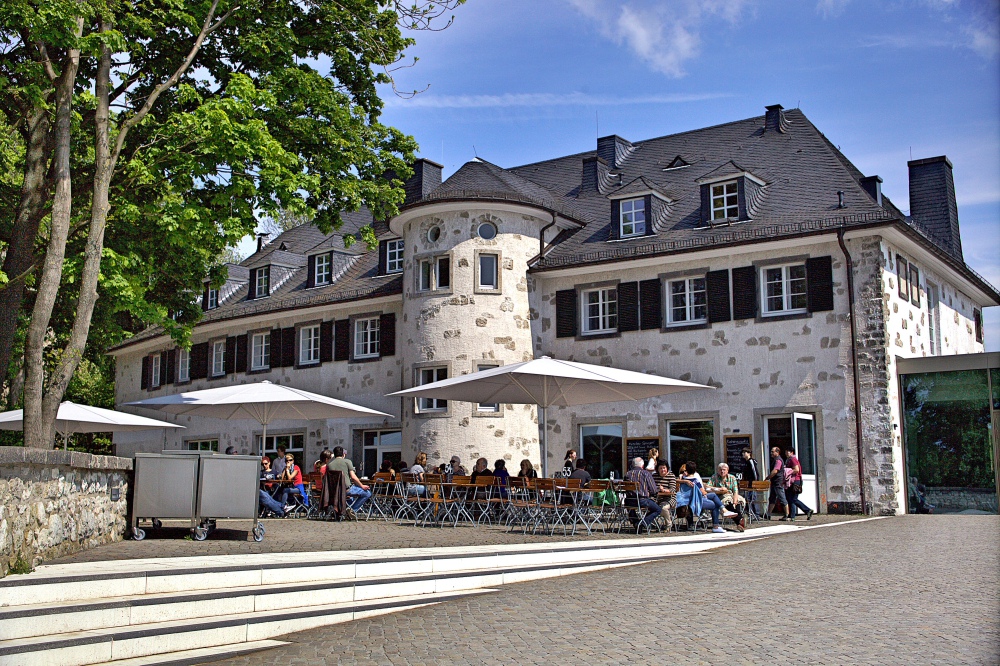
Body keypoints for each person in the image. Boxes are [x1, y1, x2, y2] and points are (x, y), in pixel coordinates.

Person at [678, 461, 724, 533]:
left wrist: (683, 480)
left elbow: (676, 480)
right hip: (696, 501)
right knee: (715, 504)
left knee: (713, 495)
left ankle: (722, 509)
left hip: (686, 501)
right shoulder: (695, 481)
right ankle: (716, 525)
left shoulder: (682, 479)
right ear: (695, 470)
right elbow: (703, 492)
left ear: (687, 470)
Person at [327, 446, 371, 519]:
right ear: (343, 454)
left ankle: (345, 510)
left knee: (350, 497)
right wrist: (362, 485)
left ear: (334, 454)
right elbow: (353, 477)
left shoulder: (330, 465)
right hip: (347, 490)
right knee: (367, 493)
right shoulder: (347, 462)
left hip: (335, 492)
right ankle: (352, 510)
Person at [624, 457, 661, 529]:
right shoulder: (645, 473)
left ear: (632, 465)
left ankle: (635, 522)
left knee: (630, 507)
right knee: (658, 509)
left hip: (629, 501)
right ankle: (642, 523)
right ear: (642, 466)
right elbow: (653, 490)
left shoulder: (627, 474)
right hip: (642, 501)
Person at [708, 463, 746, 531]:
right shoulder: (714, 477)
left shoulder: (732, 478)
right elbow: (707, 487)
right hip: (720, 496)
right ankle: (740, 521)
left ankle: (739, 522)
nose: (722, 471)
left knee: (736, 503)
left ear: (727, 470)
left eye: (724, 470)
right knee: (728, 503)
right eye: (720, 470)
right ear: (718, 470)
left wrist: (735, 501)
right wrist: (719, 489)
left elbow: (735, 491)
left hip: (731, 495)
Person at [783, 446, 814, 520]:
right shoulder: (789, 459)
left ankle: (807, 510)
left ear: (792, 452)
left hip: (795, 481)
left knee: (793, 499)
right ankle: (792, 516)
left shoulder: (793, 459)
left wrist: (787, 471)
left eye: (788, 452)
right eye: (786, 452)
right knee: (790, 498)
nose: (787, 453)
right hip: (793, 481)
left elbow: (796, 469)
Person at [766, 446, 789, 520]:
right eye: (771, 451)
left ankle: (786, 515)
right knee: (772, 498)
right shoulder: (775, 460)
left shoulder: (778, 460)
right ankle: (768, 514)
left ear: (777, 452)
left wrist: (768, 477)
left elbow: (775, 470)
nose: (771, 453)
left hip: (778, 482)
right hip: (774, 482)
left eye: (773, 452)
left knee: (782, 498)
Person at [652, 460, 677, 524]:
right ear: (657, 469)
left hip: (669, 498)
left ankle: (668, 524)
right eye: (660, 468)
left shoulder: (671, 476)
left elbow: (672, 489)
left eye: (664, 468)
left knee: (663, 508)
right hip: (656, 498)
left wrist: (664, 490)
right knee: (649, 506)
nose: (663, 470)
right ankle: (652, 524)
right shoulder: (654, 476)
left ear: (667, 468)